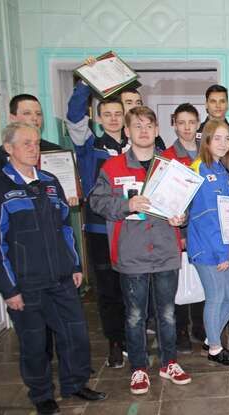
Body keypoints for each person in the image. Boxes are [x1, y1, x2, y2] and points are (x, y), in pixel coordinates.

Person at [0, 122, 107, 415]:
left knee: (75, 335)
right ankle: (41, 394)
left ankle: (75, 383)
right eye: (26, 143)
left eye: (36, 143)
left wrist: (74, 264)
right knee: (34, 343)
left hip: (61, 278)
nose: (33, 148)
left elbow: (65, 227)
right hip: (26, 284)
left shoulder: (50, 182)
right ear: (9, 148)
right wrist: (9, 289)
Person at [90, 106, 192, 394]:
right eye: (137, 126)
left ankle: (169, 362)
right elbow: (96, 202)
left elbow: (186, 205)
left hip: (165, 250)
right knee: (135, 315)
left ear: (157, 130)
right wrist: (127, 205)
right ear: (127, 131)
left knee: (168, 313)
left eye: (149, 125)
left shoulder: (172, 167)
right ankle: (138, 367)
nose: (144, 131)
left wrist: (181, 218)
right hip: (132, 253)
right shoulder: (113, 167)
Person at [66, 81, 129, 369]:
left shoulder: (137, 146)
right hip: (100, 229)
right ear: (99, 118)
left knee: (131, 286)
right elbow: (74, 117)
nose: (114, 118)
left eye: (118, 113)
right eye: (108, 114)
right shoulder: (90, 146)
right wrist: (84, 84)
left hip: (131, 229)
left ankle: (133, 337)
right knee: (107, 289)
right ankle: (115, 341)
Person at [186, 120, 229, 366]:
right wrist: (222, 253)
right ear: (206, 141)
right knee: (217, 296)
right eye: (217, 138)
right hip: (207, 247)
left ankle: (211, 340)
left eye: (227, 138)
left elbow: (225, 211)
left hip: (220, 244)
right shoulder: (202, 169)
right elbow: (208, 217)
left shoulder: (220, 169)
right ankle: (214, 348)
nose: (223, 143)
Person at [162, 103, 205, 353]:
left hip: (205, 229)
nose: (187, 127)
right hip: (179, 229)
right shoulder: (167, 156)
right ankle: (181, 330)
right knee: (179, 283)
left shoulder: (207, 151)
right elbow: (167, 199)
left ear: (198, 123)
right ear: (174, 125)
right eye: (181, 123)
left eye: (191, 122)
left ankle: (199, 325)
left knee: (202, 278)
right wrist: (180, 233)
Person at [0, 94, 65, 186]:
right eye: (27, 113)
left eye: (38, 114)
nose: (35, 118)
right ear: (13, 118)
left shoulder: (55, 151)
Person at [198, 84, 229, 152]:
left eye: (222, 101)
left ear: (227, 105)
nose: (218, 105)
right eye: (213, 101)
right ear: (206, 105)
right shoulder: (195, 133)